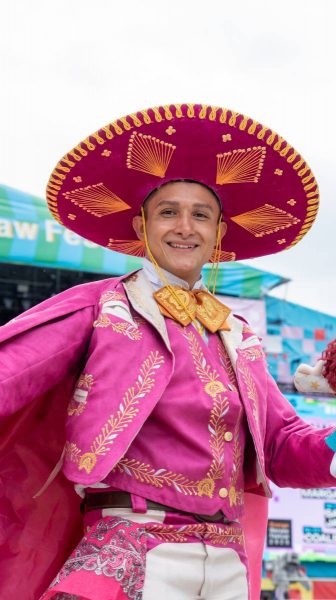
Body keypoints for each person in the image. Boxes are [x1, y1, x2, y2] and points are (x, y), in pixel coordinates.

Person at [1, 103, 335, 600]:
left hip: (227, 563)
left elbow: (283, 447)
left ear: (219, 234)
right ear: (141, 229)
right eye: (168, 212)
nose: (185, 226)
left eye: (201, 214)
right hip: (129, 546)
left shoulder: (240, 337)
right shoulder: (100, 307)